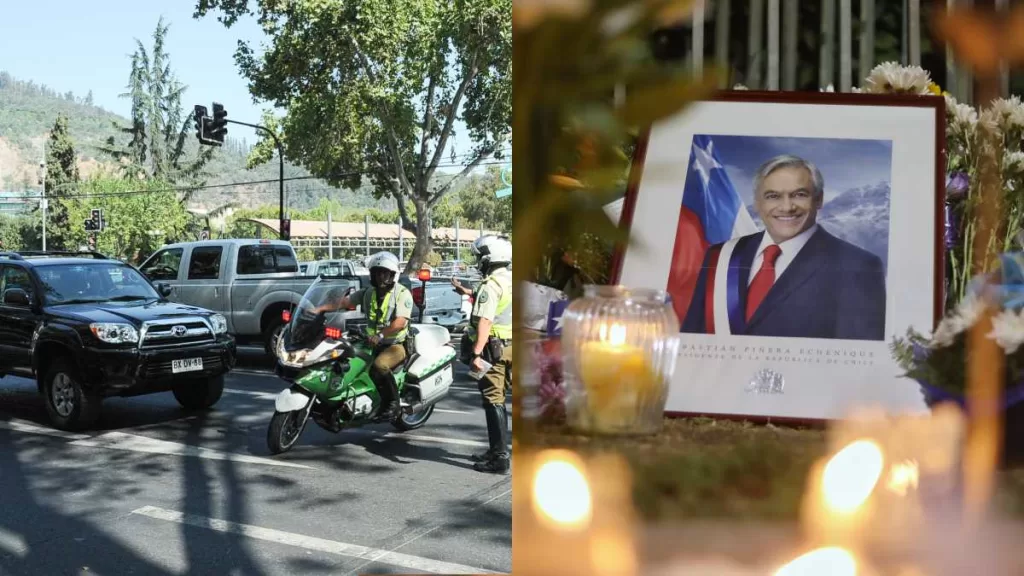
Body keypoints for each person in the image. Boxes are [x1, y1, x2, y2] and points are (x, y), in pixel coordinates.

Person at [681, 154, 886, 341]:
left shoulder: (858, 266)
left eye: (799, 194)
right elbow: (691, 338)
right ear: (758, 203)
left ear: (819, 199)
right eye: (773, 196)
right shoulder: (720, 255)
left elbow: (858, 359)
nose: (787, 207)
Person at [315, 251, 414, 420]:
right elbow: (345, 302)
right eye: (376, 272)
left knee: (379, 366)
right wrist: (319, 309)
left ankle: (392, 404)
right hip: (370, 343)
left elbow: (400, 322)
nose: (379, 276)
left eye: (384, 273)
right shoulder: (368, 293)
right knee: (342, 358)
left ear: (392, 275)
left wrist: (380, 335)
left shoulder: (402, 293)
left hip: (395, 344)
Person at [458, 235, 513, 474]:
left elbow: (486, 321)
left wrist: (477, 354)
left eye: (480, 256)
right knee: (499, 397)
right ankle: (495, 450)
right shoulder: (510, 280)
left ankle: (499, 457)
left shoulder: (490, 285)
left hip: (494, 348)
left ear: (489, 258)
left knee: (493, 399)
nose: (478, 261)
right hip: (511, 346)